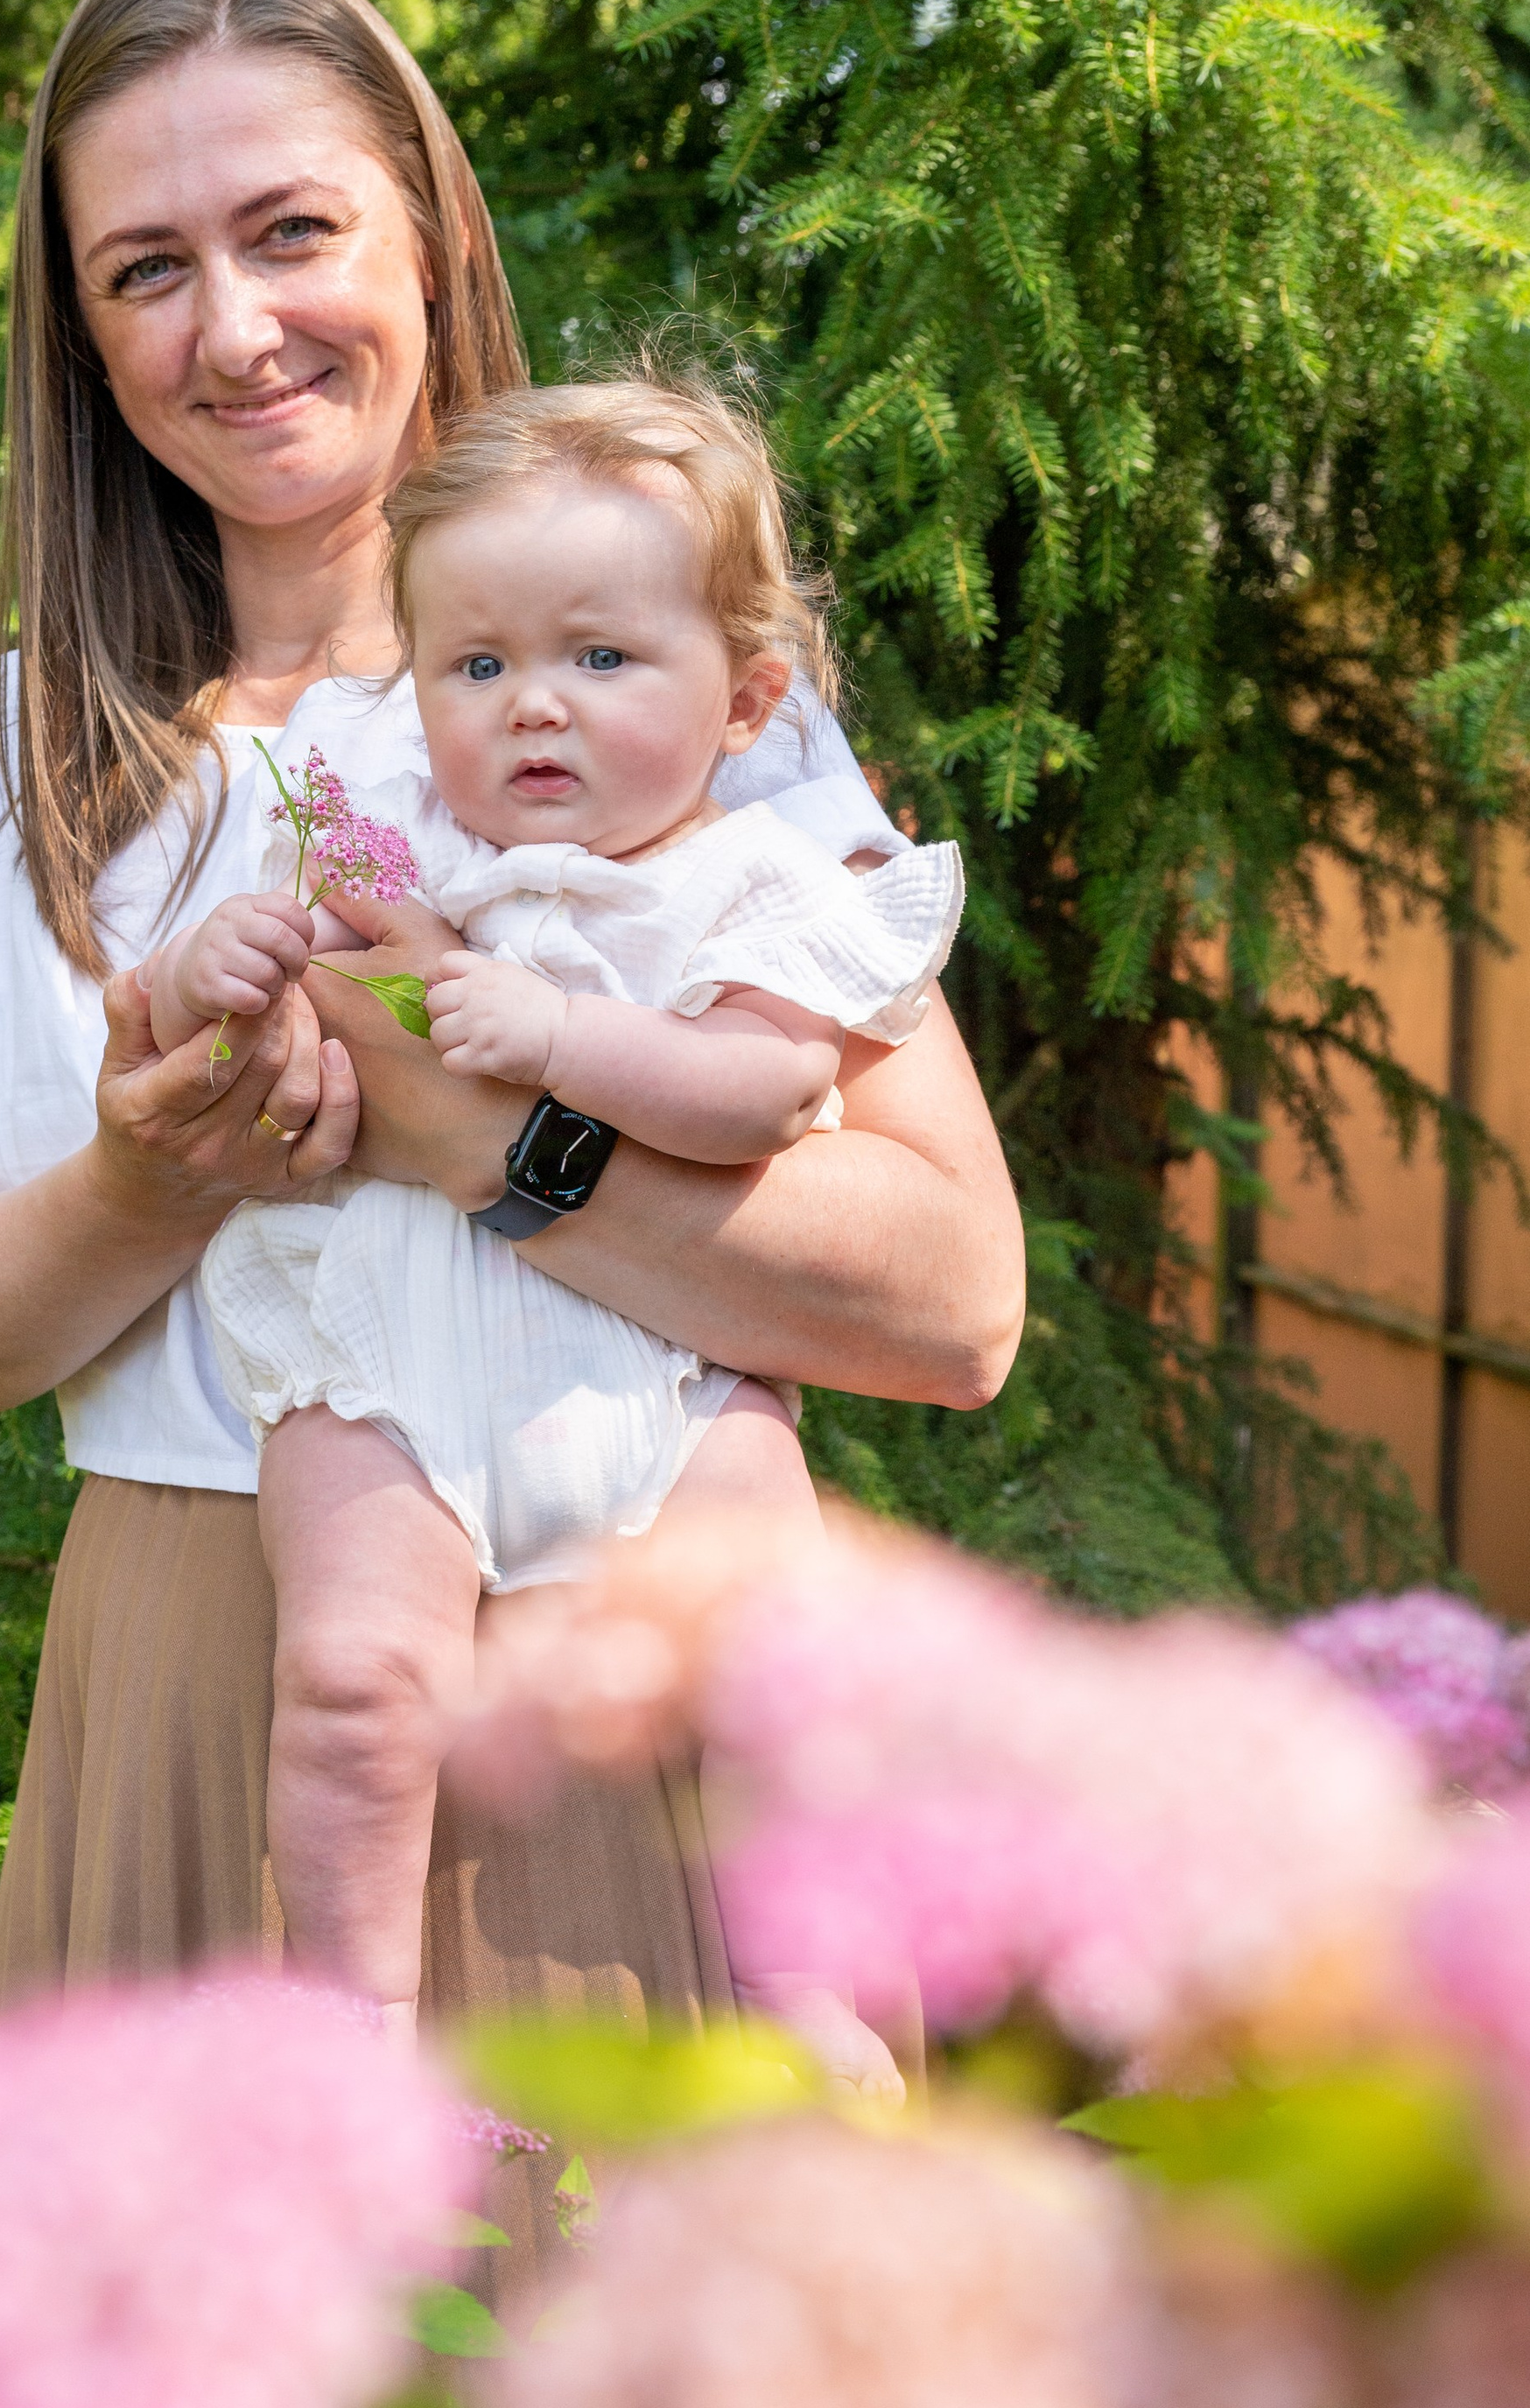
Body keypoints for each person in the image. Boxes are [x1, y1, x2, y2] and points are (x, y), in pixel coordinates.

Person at [0, 0, 1024, 2068]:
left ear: (430, 242)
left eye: (291, 230)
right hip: (203, 1704)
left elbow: (950, 1303)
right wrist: (148, 1179)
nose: (234, 327)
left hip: (619, 1681)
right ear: (81, 337)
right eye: (145, 269)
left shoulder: (652, 694)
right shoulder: (6, 760)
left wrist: (483, 1139)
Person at [142, 374, 963, 2068]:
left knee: (784, 1669)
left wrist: (560, 1043)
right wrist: (211, 962)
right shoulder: (391, 847)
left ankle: (805, 1992)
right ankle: (352, 2021)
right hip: (391, 1352)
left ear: (744, 697)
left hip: (670, 1382)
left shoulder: (761, 884)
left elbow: (758, 1095)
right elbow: (225, 1021)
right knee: (352, 1683)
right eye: (476, 665)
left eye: (599, 658)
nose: (533, 705)